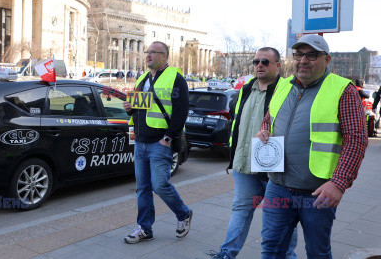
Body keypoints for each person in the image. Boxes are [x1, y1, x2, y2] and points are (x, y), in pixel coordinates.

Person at [255, 34, 368, 258]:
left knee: (317, 251)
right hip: (278, 185)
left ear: (327, 60)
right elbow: (270, 118)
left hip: (317, 192)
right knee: (271, 248)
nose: (303, 60)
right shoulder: (284, 85)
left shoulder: (342, 90)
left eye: (312, 55)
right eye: (298, 54)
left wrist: (338, 183)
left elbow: (356, 139)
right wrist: (264, 130)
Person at [210, 47, 297, 259]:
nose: (259, 65)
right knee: (240, 210)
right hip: (244, 164)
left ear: (278, 66)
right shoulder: (247, 88)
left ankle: (288, 256)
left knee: (281, 216)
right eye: (256, 61)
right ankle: (226, 254)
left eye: (265, 62)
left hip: (274, 168)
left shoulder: (287, 89)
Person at [123, 41, 193, 244]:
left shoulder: (176, 78)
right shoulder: (143, 78)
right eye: (148, 52)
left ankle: (183, 213)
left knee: (160, 185)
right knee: (142, 188)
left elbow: (181, 112)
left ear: (165, 56)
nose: (148, 55)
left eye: (154, 52)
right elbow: (136, 109)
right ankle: (145, 229)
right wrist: (129, 108)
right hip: (141, 141)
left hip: (160, 142)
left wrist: (168, 138)